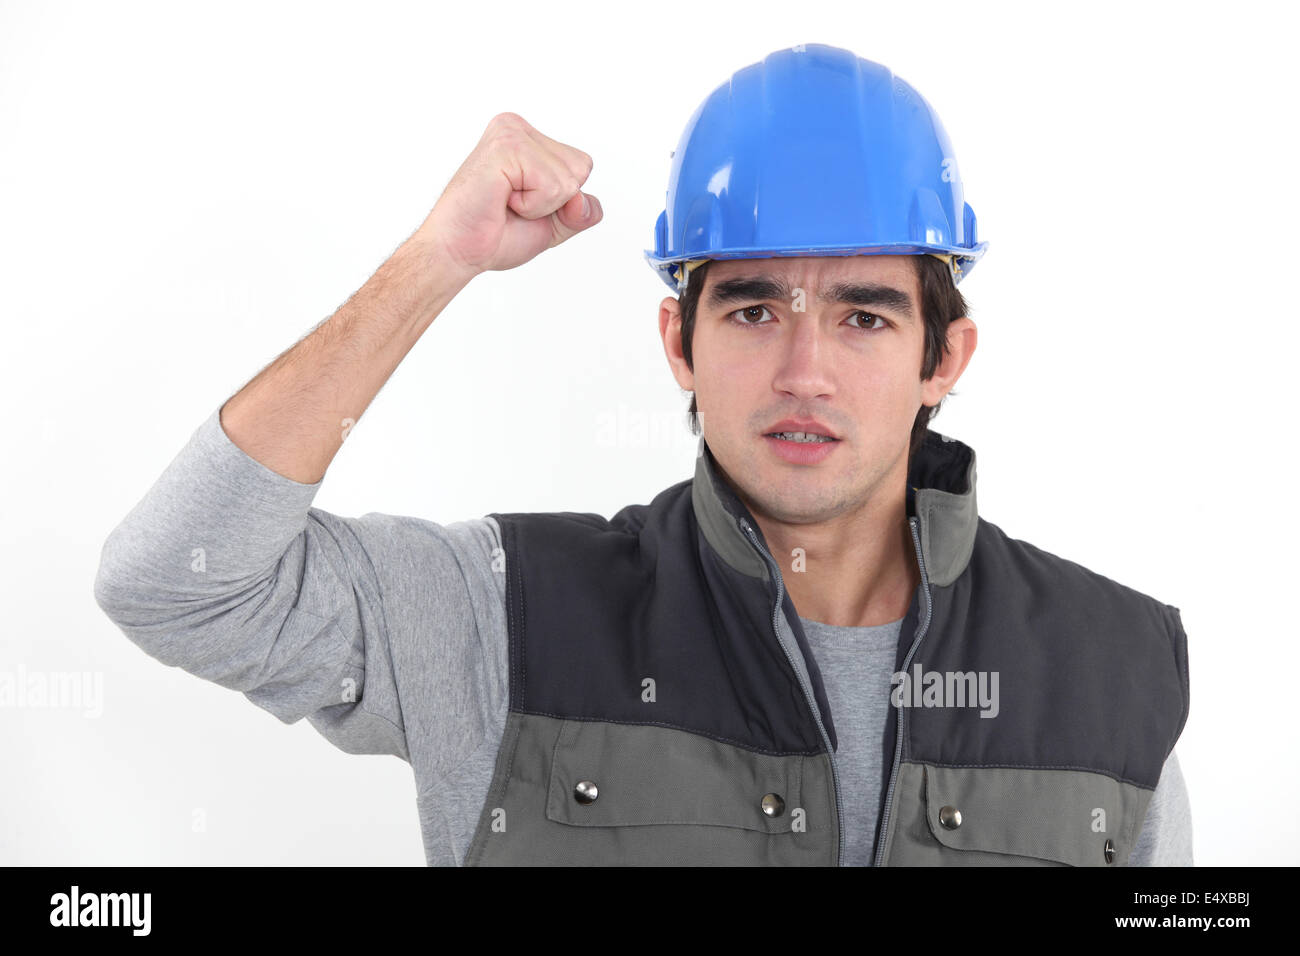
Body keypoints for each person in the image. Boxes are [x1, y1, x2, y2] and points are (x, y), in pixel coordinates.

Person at [93, 44, 1191, 866]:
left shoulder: (1107, 673)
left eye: (863, 317)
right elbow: (176, 583)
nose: (804, 370)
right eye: (755, 312)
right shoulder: (508, 619)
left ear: (943, 355)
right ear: (680, 341)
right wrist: (439, 258)